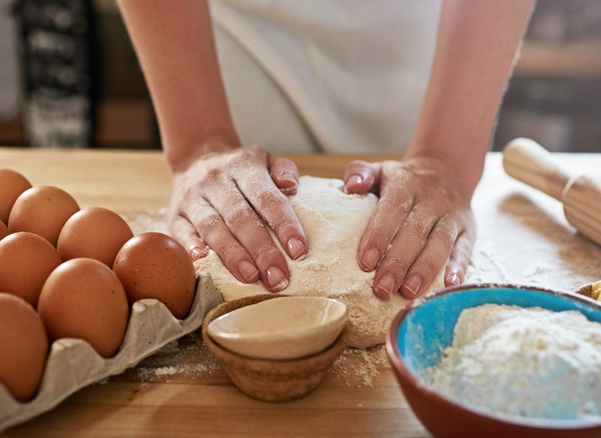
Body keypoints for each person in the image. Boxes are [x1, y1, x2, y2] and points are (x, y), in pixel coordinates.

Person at [116, 0, 536, 299]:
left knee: (414, 246)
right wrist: (199, 145)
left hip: (426, 39)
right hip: (231, 38)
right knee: (238, 247)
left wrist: (445, 159)